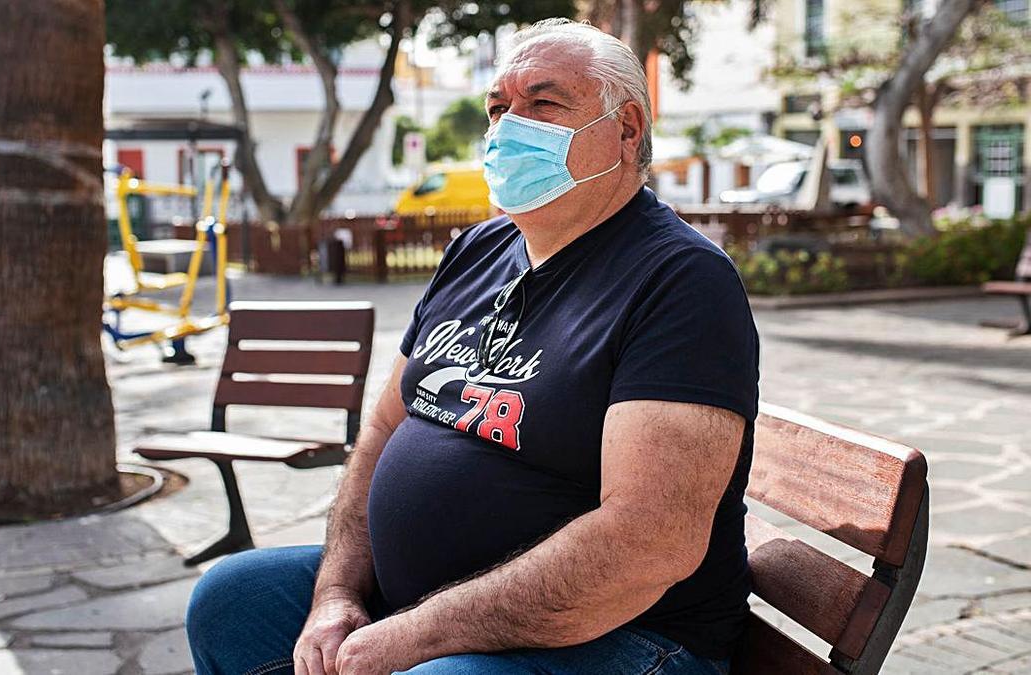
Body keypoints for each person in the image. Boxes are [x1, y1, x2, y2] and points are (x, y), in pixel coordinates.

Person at [186, 18, 759, 675]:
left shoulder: (680, 280)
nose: (509, 125)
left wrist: (414, 636)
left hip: (624, 633)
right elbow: (382, 426)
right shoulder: (477, 250)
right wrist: (337, 592)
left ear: (626, 131)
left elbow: (646, 540)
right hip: (428, 604)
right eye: (497, 107)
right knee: (229, 601)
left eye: (542, 103)